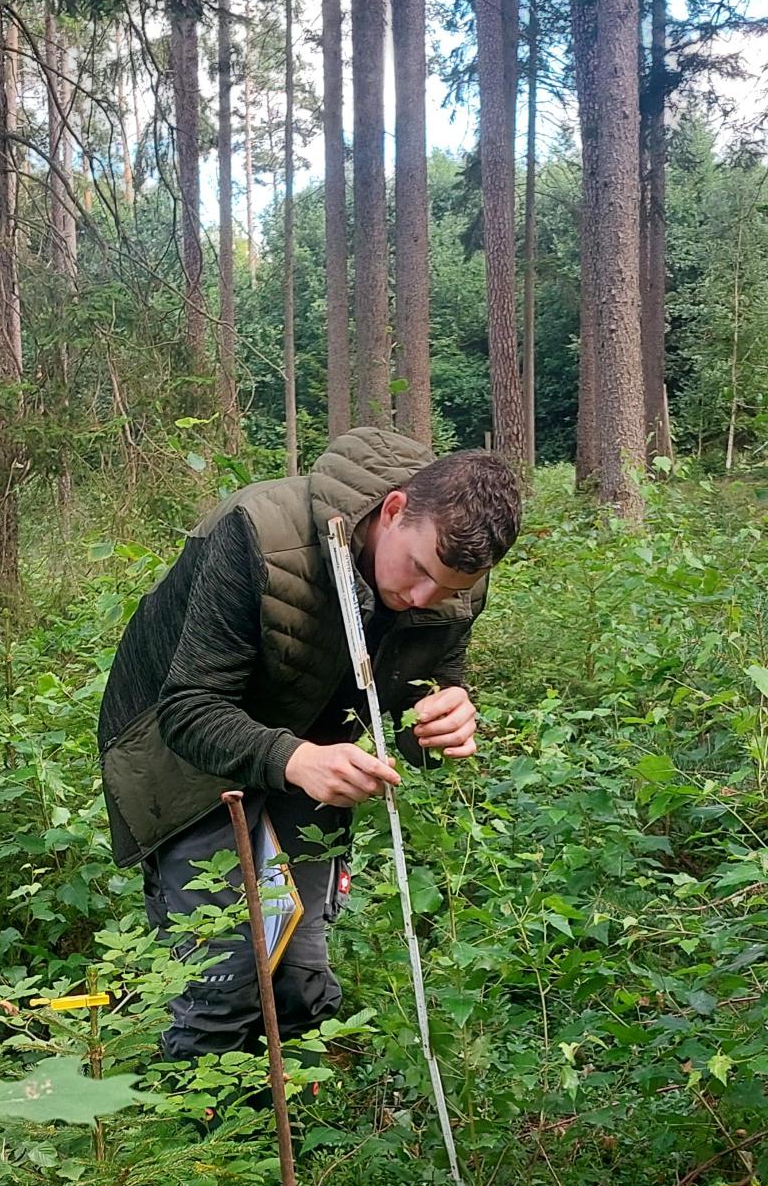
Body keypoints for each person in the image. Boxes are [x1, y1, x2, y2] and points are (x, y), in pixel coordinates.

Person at [97, 425, 523, 1061]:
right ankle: (196, 1146)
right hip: (179, 754)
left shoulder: (452, 574)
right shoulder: (258, 534)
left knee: (299, 973)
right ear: (396, 508)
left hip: (315, 753)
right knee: (227, 977)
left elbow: (415, 696)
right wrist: (294, 758)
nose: (423, 598)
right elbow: (186, 709)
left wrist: (442, 719)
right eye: (419, 571)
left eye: (452, 589)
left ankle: (306, 1134)